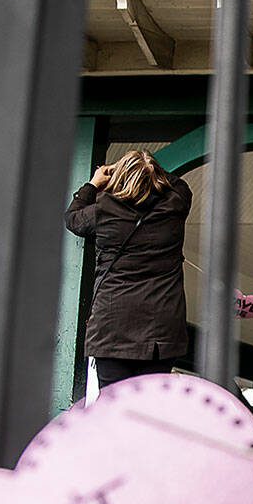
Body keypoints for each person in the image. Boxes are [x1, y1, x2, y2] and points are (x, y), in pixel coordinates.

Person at [64, 150, 192, 390]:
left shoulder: (103, 211)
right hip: (161, 332)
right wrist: (147, 167)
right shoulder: (175, 205)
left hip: (111, 328)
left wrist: (94, 183)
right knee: (149, 409)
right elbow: (179, 184)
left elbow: (73, 218)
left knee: (115, 410)